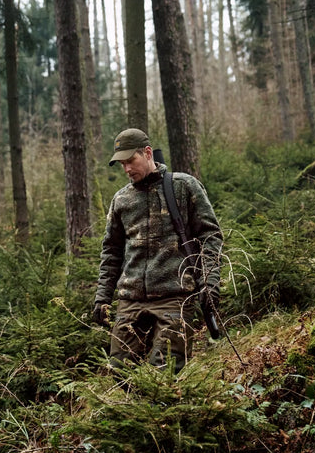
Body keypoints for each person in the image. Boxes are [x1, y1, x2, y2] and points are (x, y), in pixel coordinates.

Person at [93, 128, 223, 373]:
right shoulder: (121, 200)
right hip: (130, 301)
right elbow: (111, 252)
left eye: (131, 161)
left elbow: (210, 236)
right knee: (120, 374)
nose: (127, 169)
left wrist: (210, 282)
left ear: (148, 153)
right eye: (122, 164)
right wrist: (102, 297)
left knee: (164, 374)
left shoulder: (183, 187)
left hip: (174, 297)